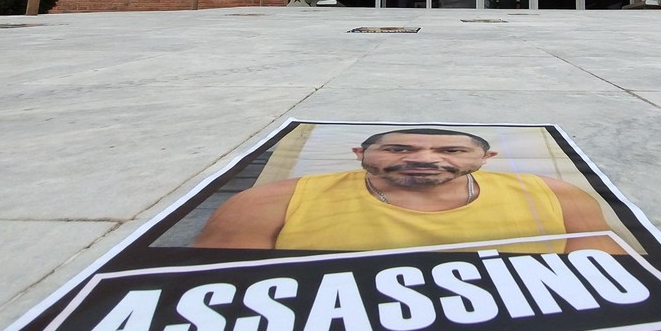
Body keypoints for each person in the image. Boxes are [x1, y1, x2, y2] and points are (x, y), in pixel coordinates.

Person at [194, 128, 625, 254]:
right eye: (399, 148)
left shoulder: (554, 196)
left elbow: (618, 289)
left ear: (485, 159)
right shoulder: (269, 202)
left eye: (451, 150)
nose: (423, 158)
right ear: (359, 153)